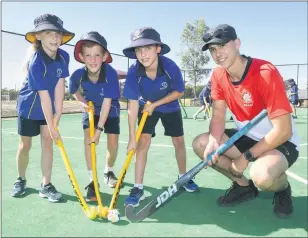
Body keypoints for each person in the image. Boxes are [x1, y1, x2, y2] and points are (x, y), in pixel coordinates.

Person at [192, 24, 299, 218]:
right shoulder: (218, 74)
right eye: (213, 50)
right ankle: (243, 187)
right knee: (202, 143)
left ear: (237, 43)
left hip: (280, 140)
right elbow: (217, 115)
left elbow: (284, 130)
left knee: (263, 176)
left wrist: (245, 158)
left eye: (222, 45)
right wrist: (214, 140)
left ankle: (283, 188)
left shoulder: (265, 72)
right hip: (248, 136)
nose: (218, 53)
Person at [122, 27, 199, 207]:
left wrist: (156, 104)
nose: (143, 54)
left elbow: (179, 91)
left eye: (147, 48)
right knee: (142, 142)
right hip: (146, 108)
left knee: (178, 142)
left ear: (157, 48)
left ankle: (183, 177)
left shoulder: (170, 66)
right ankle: (138, 187)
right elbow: (132, 106)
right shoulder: (134, 72)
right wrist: (132, 137)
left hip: (169, 106)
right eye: (138, 50)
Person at [11, 14, 74, 202]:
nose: (55, 37)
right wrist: (53, 126)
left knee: (47, 142)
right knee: (25, 145)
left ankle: (46, 185)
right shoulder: (36, 62)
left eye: (57, 33)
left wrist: (59, 113)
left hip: (49, 107)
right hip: (30, 107)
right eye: (48, 33)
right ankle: (20, 179)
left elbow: (58, 86)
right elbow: (44, 95)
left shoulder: (64, 56)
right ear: (38, 36)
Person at [69, 31, 121, 201]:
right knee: (88, 140)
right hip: (91, 109)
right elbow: (73, 89)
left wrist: (99, 130)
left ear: (104, 56)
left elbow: (107, 103)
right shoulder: (78, 75)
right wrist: (82, 101)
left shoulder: (111, 74)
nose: (93, 59)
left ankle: (108, 170)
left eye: (97, 55)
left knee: (112, 144)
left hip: (110, 108)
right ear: (82, 57)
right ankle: (93, 181)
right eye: (88, 55)